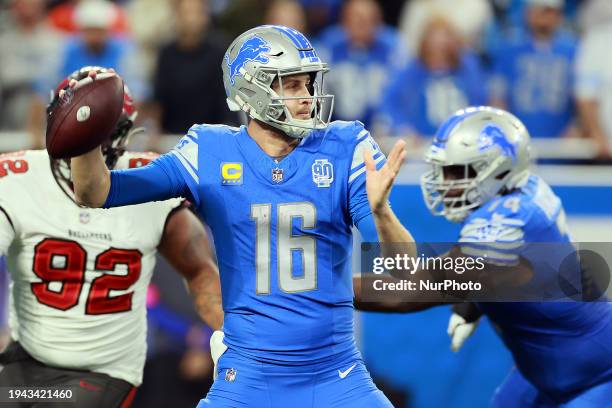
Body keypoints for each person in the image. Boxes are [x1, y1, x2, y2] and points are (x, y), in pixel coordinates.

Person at [68, 25, 415, 407]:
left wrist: (381, 212)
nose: (308, 98)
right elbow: (97, 192)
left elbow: (402, 268)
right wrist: (85, 137)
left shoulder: (346, 145)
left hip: (335, 373)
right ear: (251, 90)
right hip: (250, 376)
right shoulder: (210, 150)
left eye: (309, 85)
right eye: (292, 85)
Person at [0, 66, 223, 407]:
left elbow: (201, 271)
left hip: (104, 371)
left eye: (99, 130)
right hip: (27, 359)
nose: (88, 139)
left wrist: (236, 343)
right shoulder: (18, 178)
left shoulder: (150, 182)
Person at [360, 106, 612, 406]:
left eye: (456, 172)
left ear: (499, 170)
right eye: (442, 170)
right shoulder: (522, 190)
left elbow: (407, 292)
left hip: (597, 376)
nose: (443, 183)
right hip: (550, 369)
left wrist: (314, 289)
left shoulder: (506, 221)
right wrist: (472, 303)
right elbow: (513, 274)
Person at [489, 0, 578, 139]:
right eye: (539, 10)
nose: (544, 17)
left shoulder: (573, 50)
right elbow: (497, 96)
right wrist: (505, 129)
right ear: (528, 13)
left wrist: (577, 126)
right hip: (519, 135)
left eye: (548, 11)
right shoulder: (509, 49)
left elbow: (582, 95)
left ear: (559, 15)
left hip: (562, 137)